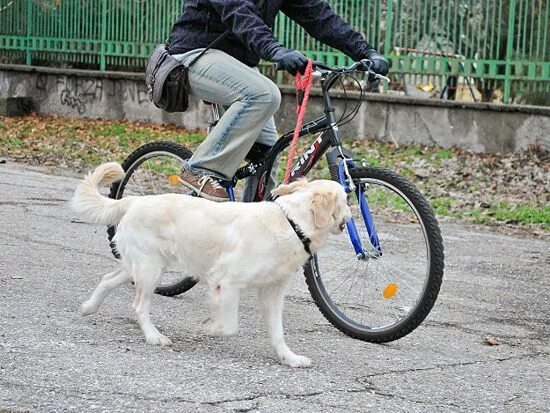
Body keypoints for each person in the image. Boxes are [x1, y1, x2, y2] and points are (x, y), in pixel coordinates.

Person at [168, 0, 389, 201]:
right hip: (195, 53)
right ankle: (199, 169)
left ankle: (253, 224)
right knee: (264, 94)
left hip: (237, 65)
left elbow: (320, 17)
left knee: (268, 153)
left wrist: (365, 51)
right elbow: (239, 13)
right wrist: (274, 49)